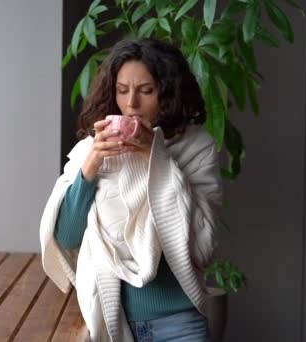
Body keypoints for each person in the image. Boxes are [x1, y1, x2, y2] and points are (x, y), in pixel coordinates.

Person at [40, 38, 222, 342]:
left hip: (179, 326)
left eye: (145, 91)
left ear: (168, 93)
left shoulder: (196, 147)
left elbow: (202, 247)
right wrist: (91, 165)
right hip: (114, 323)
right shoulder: (93, 150)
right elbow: (66, 237)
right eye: (122, 91)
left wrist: (157, 160)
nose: (131, 104)